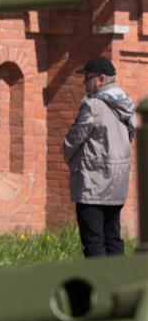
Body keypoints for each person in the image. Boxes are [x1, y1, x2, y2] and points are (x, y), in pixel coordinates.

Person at [63, 56, 136, 257]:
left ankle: (100, 284)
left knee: (93, 239)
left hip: (93, 182)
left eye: (87, 78)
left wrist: (69, 157)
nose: (84, 82)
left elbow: (74, 138)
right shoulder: (127, 105)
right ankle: (117, 283)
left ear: (102, 79)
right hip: (117, 182)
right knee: (113, 237)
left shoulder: (93, 105)